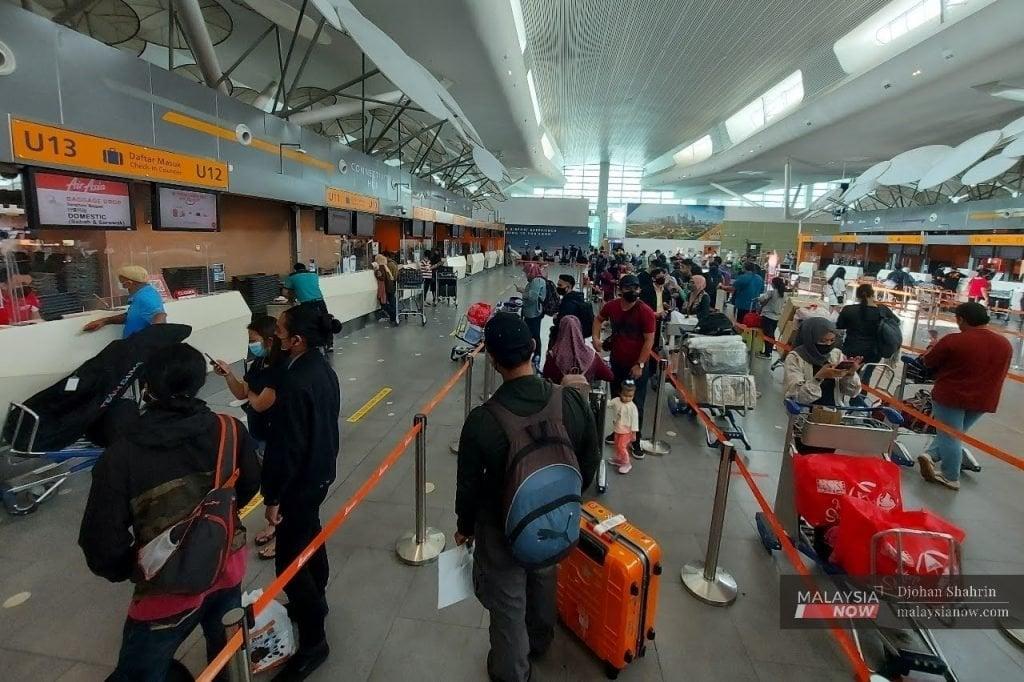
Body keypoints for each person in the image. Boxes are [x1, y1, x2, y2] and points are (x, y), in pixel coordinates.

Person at [79, 343, 261, 681]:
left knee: (142, 671)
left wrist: (135, 567)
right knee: (227, 654)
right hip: (226, 561)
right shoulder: (230, 430)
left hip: (164, 587)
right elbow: (249, 485)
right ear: (199, 382)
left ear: (147, 386)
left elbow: (100, 541)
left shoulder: (122, 455)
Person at [455, 313, 599, 682]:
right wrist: (563, 499)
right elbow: (590, 459)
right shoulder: (570, 401)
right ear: (533, 347)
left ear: (492, 359)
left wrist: (464, 526)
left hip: (500, 527)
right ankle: (540, 638)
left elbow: (468, 487)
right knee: (544, 573)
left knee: (507, 602)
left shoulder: (482, 421)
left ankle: (511, 671)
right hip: (556, 519)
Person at [262, 304, 342, 679]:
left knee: (289, 565)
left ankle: (314, 639)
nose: (274, 337)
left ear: (296, 340)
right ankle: (317, 597)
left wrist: (273, 497)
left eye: (279, 332)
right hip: (320, 471)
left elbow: (286, 449)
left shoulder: (296, 384)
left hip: (299, 482)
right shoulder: (321, 369)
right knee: (311, 534)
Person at [916, 302, 1011, 491]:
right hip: (984, 399)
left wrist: (931, 349)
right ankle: (930, 455)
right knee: (954, 434)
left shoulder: (954, 340)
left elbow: (929, 362)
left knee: (950, 435)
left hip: (951, 396)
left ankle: (950, 476)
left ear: (961, 319)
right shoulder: (1005, 344)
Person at [213, 315, 283, 558]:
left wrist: (252, 398)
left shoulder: (280, 367)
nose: (251, 344)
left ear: (269, 340)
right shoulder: (259, 363)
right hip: (258, 431)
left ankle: (281, 532)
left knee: (279, 483)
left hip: (277, 434)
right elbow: (243, 392)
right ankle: (273, 523)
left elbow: (261, 404)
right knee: (268, 481)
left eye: (254, 339)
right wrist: (228, 375)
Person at [592, 274, 656, 459]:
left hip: (636, 366)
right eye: (628, 288)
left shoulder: (645, 312)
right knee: (618, 401)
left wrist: (640, 364)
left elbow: (649, 340)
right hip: (617, 362)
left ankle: (635, 440)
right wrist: (596, 338)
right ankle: (618, 432)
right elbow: (598, 319)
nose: (633, 292)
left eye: (636, 288)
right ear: (620, 290)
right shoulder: (612, 306)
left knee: (636, 405)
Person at [783, 317, 862, 416]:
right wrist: (818, 378)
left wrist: (850, 374)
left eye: (832, 340)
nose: (828, 345)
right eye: (822, 341)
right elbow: (795, 396)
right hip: (804, 415)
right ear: (810, 338)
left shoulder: (835, 354)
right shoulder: (796, 357)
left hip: (833, 413)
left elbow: (852, 393)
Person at [836, 284, 896, 386]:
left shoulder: (848, 310)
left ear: (857, 296)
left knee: (846, 375)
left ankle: (843, 394)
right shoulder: (883, 311)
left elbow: (840, 325)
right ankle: (861, 394)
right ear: (873, 294)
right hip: (873, 352)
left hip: (851, 349)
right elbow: (895, 324)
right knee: (865, 377)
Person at [82, 265, 166, 337]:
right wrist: (105, 321)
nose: (122, 286)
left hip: (142, 347)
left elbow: (160, 316)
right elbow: (131, 315)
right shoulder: (146, 292)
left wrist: (152, 342)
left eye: (122, 283)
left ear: (129, 283)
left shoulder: (144, 297)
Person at [542, 315, 614, 384]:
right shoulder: (592, 357)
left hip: (561, 391)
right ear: (579, 330)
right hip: (583, 392)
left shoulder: (553, 356)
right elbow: (609, 376)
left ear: (561, 331)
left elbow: (545, 377)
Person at [549, 273, 594, 345]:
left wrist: (556, 319)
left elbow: (563, 323)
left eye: (560, 285)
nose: (558, 287)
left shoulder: (568, 304)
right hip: (578, 337)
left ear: (568, 287)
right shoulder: (578, 299)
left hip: (568, 340)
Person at [518, 262, 548, 369]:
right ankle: (534, 353)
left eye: (527, 273)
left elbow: (532, 297)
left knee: (534, 334)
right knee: (533, 334)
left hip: (533, 313)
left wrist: (523, 292)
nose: (526, 275)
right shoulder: (537, 280)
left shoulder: (536, 281)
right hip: (533, 311)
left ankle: (536, 354)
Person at [607, 380, 639, 474]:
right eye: (625, 395)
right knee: (617, 445)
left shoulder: (632, 407)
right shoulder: (616, 400)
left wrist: (634, 433)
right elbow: (609, 404)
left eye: (630, 396)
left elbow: (635, 421)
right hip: (618, 429)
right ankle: (620, 459)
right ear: (620, 393)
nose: (627, 398)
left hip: (626, 431)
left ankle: (626, 463)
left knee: (622, 446)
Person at [757, 276, 787, 358]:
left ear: (774, 284)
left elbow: (761, 299)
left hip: (767, 316)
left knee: (767, 335)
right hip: (776, 318)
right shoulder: (784, 294)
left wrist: (758, 298)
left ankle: (767, 353)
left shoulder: (771, 292)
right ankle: (769, 352)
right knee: (771, 335)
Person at [373, 254, 398, 324]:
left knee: (383, 303)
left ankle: (393, 316)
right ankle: (395, 317)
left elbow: (382, 278)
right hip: (391, 287)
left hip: (386, 288)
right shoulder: (386, 267)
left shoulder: (380, 268)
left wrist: (375, 271)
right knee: (392, 302)